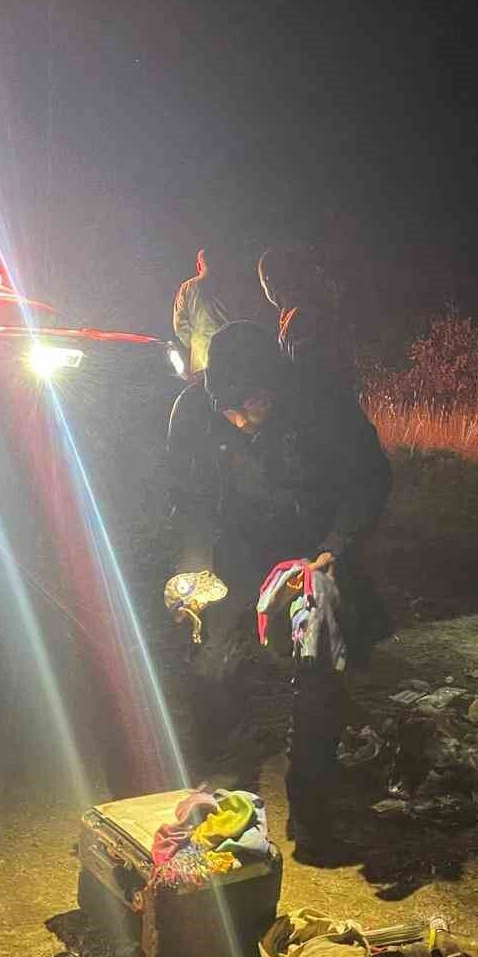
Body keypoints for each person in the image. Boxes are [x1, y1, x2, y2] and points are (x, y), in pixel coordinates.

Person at [166, 321, 391, 857]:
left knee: (317, 665)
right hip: (237, 550)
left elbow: (369, 481)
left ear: (278, 385)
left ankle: (312, 810)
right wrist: (193, 565)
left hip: (312, 550)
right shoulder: (193, 410)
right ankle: (223, 790)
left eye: (255, 405)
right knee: (213, 662)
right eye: (231, 411)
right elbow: (183, 497)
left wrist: (337, 546)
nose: (242, 420)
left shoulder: (322, 404)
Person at [171, 245, 267, 375]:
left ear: (199, 266)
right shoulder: (234, 284)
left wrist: (195, 342)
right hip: (235, 356)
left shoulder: (186, 288)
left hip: (202, 360)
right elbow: (250, 316)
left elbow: (180, 326)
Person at [256, 244, 343, 384]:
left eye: (262, 285)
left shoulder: (299, 319)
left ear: (268, 282)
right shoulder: (309, 305)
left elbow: (311, 375)